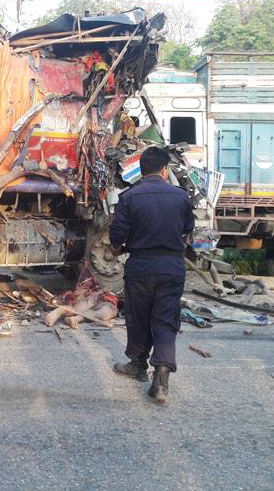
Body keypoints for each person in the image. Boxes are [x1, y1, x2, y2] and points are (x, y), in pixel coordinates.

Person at [109, 146, 195, 403]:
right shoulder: (180, 197)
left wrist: (119, 248)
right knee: (166, 321)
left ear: (141, 170)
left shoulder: (129, 197)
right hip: (171, 267)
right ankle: (161, 378)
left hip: (141, 268)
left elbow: (117, 237)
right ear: (164, 170)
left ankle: (137, 365)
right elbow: (187, 229)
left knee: (138, 317)